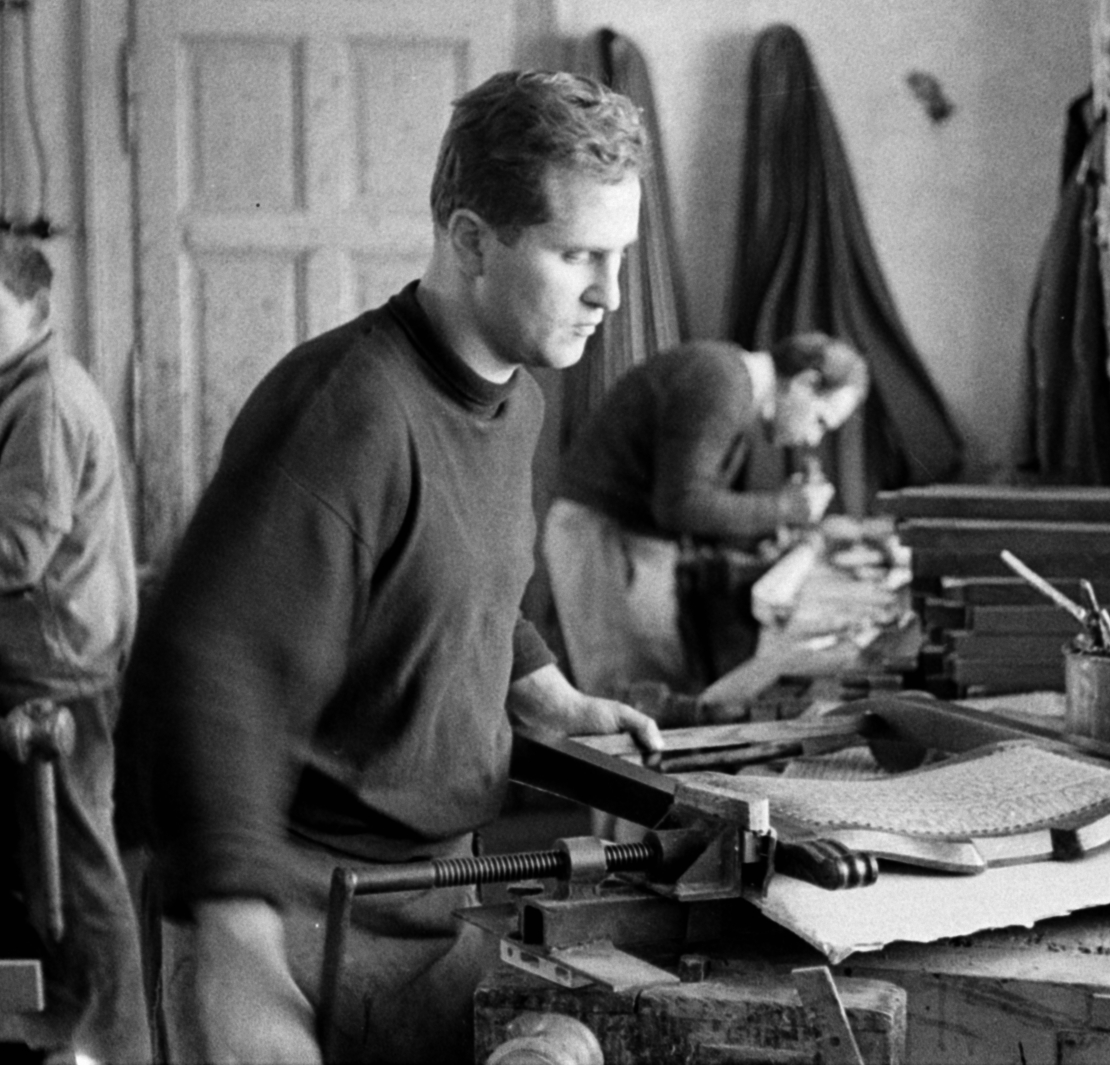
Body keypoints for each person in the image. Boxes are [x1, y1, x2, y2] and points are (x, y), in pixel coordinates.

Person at [119, 71, 664, 1064]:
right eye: (578, 255)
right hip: (288, 904)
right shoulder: (348, 411)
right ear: (467, 241)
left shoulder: (519, 399)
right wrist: (237, 946)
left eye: (619, 256)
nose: (609, 295)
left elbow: (471, 570)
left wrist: (544, 692)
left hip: (429, 891)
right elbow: (205, 670)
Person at [0, 234, 151, 1063]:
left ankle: (117, 1048)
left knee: (84, 878)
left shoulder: (47, 399)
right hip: (43, 664)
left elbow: (17, 550)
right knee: (50, 873)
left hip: (55, 675)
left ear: (36, 313)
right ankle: (70, 1035)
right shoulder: (16, 387)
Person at [544, 334, 869, 699]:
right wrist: (787, 509)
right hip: (605, 536)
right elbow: (681, 506)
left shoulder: (731, 382)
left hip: (628, 538)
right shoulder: (721, 381)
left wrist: (769, 529)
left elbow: (688, 497)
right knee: (635, 696)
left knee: (657, 690)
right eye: (821, 421)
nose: (811, 439)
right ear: (805, 383)